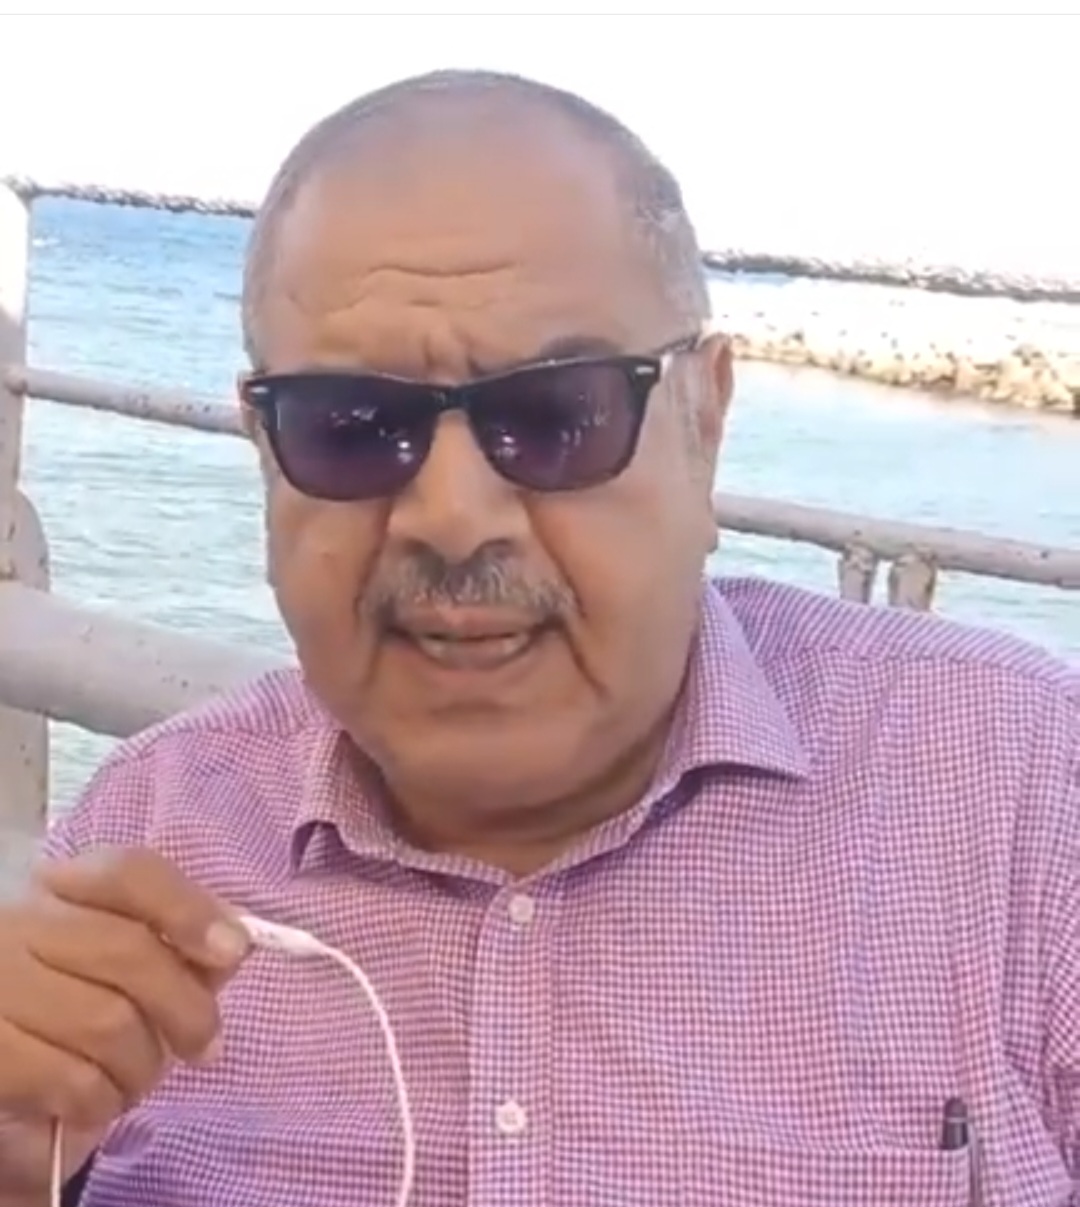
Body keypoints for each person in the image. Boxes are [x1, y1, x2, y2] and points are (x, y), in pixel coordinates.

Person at [0, 68, 1077, 1207]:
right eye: (351, 426)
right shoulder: (148, 843)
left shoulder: (1018, 799)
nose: (452, 516)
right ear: (266, 451)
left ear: (705, 421)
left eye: (558, 416)